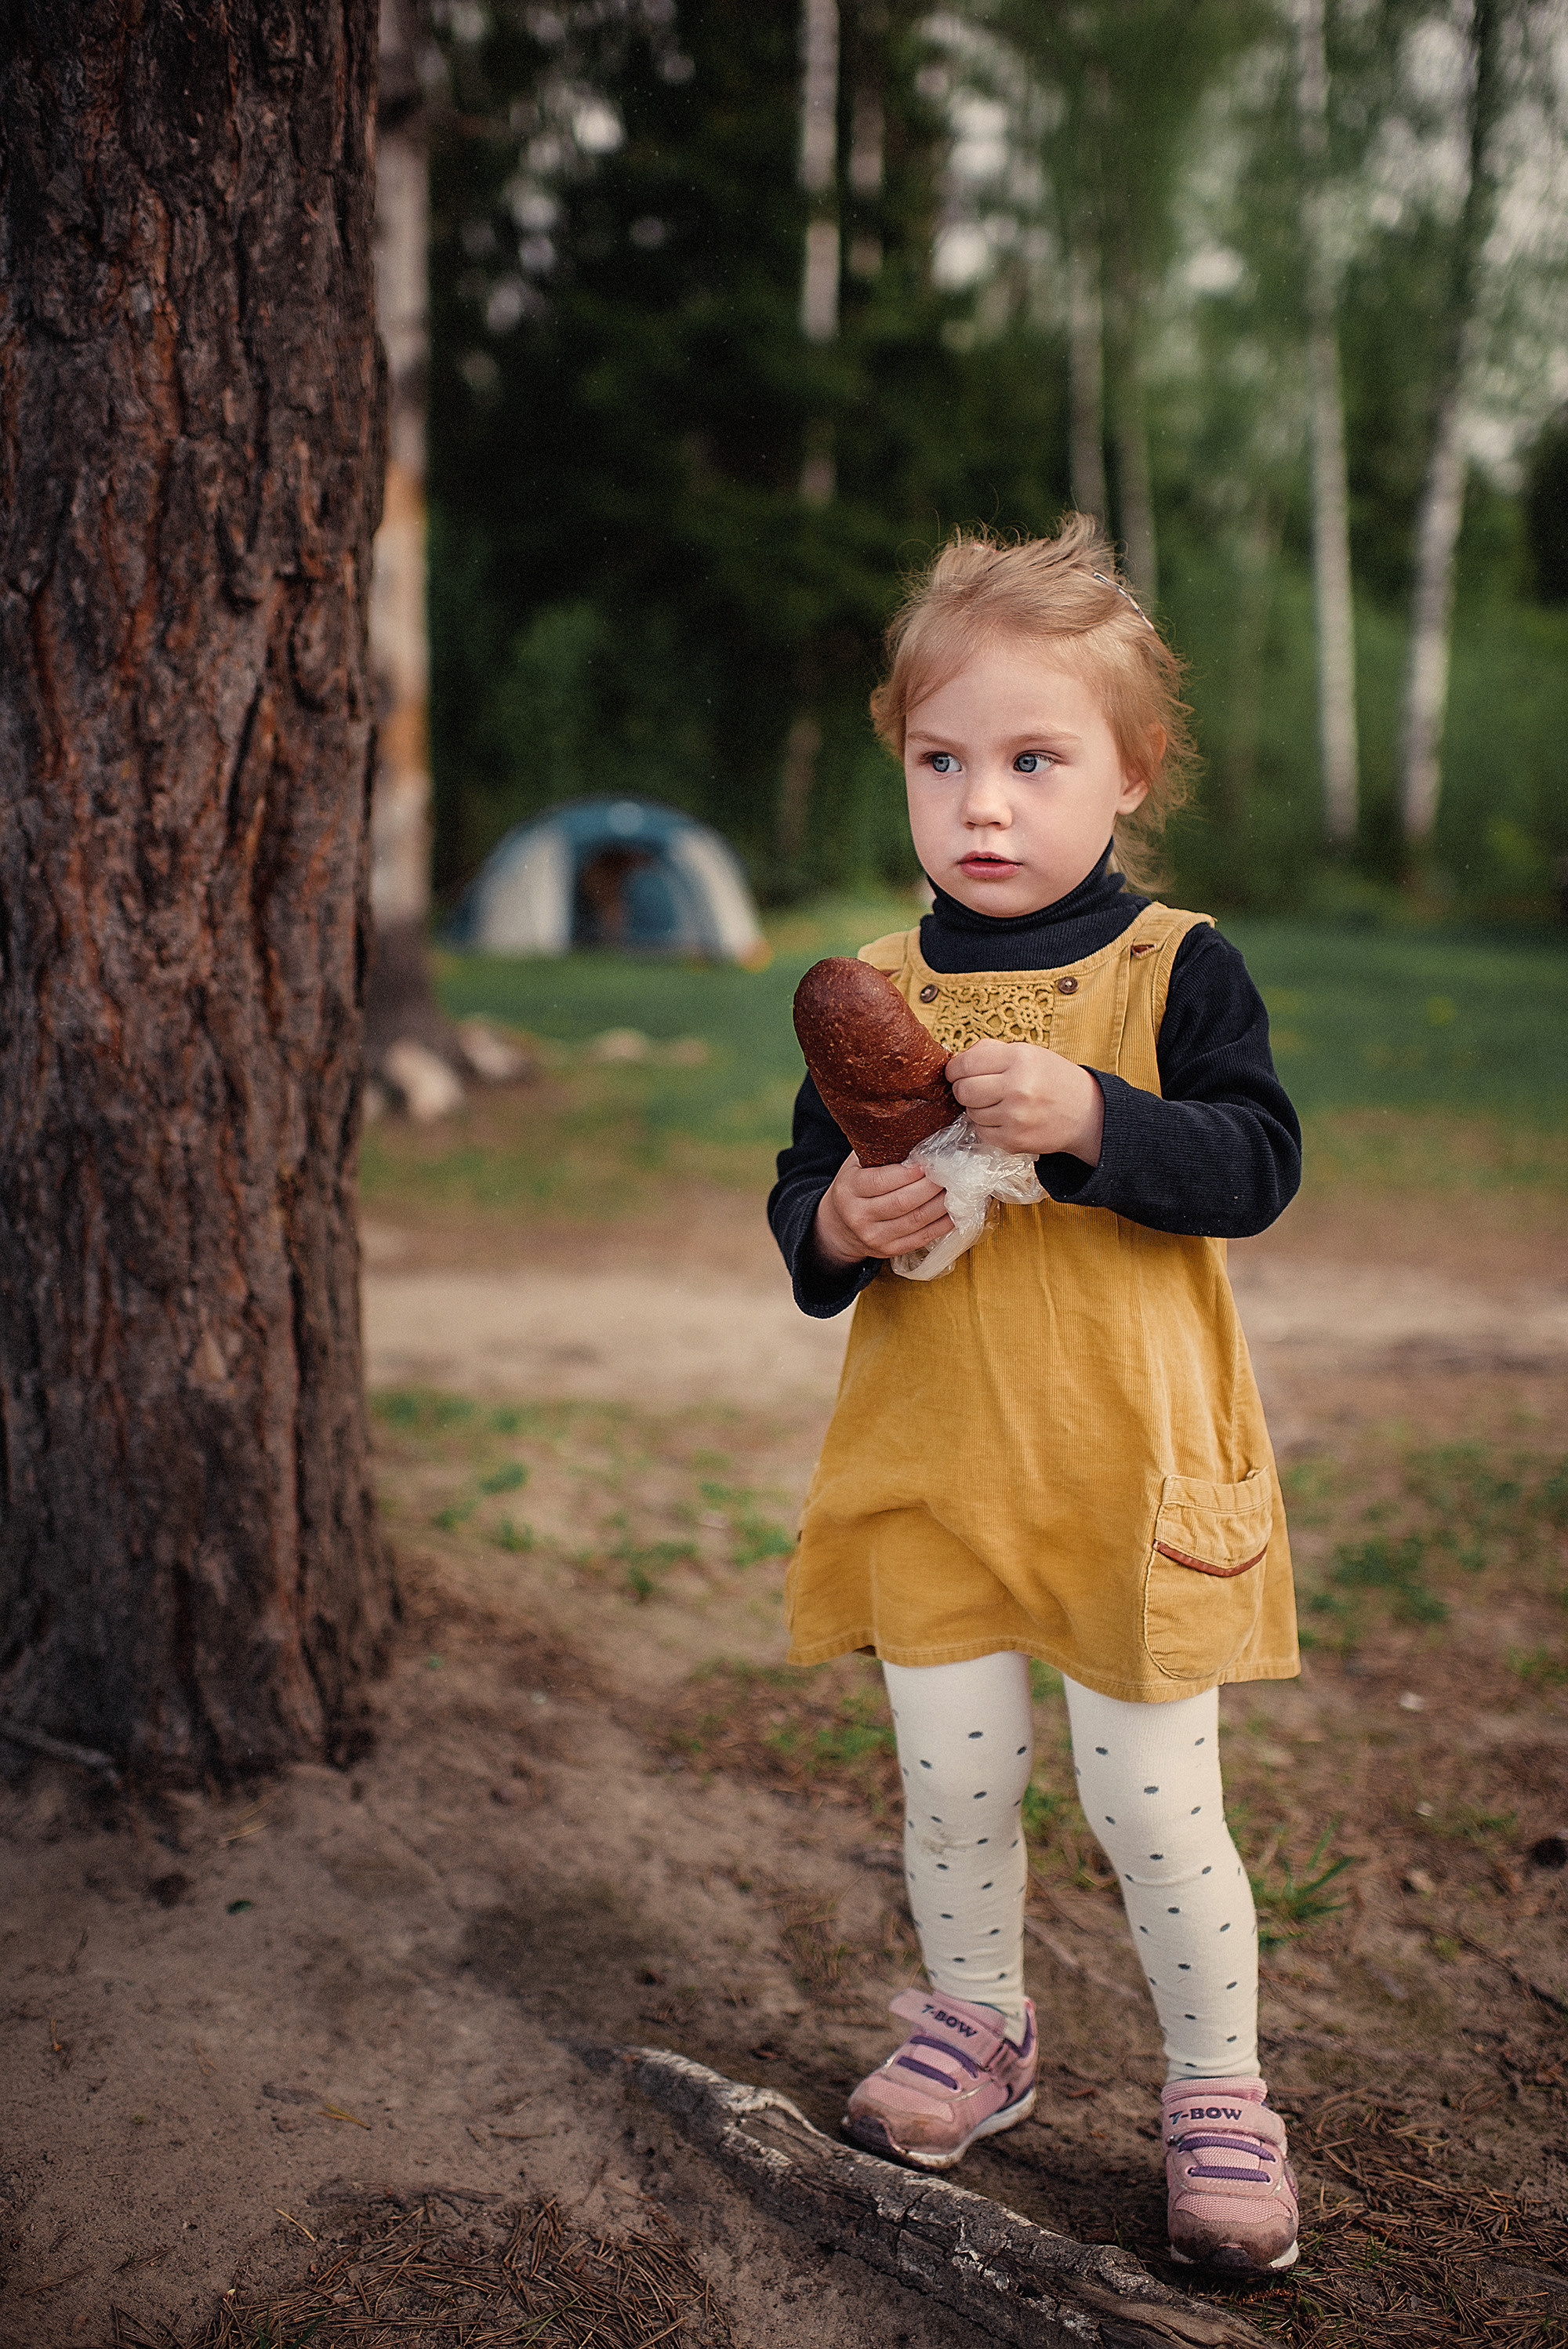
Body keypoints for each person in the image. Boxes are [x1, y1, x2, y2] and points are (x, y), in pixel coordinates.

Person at [767, 519, 1304, 2278]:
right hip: (935, 1472)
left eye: (1032, 761)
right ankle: (976, 2023)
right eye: (941, 762)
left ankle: (1218, 2091)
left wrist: (1090, 1118)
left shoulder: (1175, 967)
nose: (981, 806)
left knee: (1152, 1805)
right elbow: (804, 1203)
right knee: (951, 1787)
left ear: (1130, 773)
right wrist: (839, 1223)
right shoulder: (874, 990)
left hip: (1127, 1475)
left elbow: (1254, 1163)